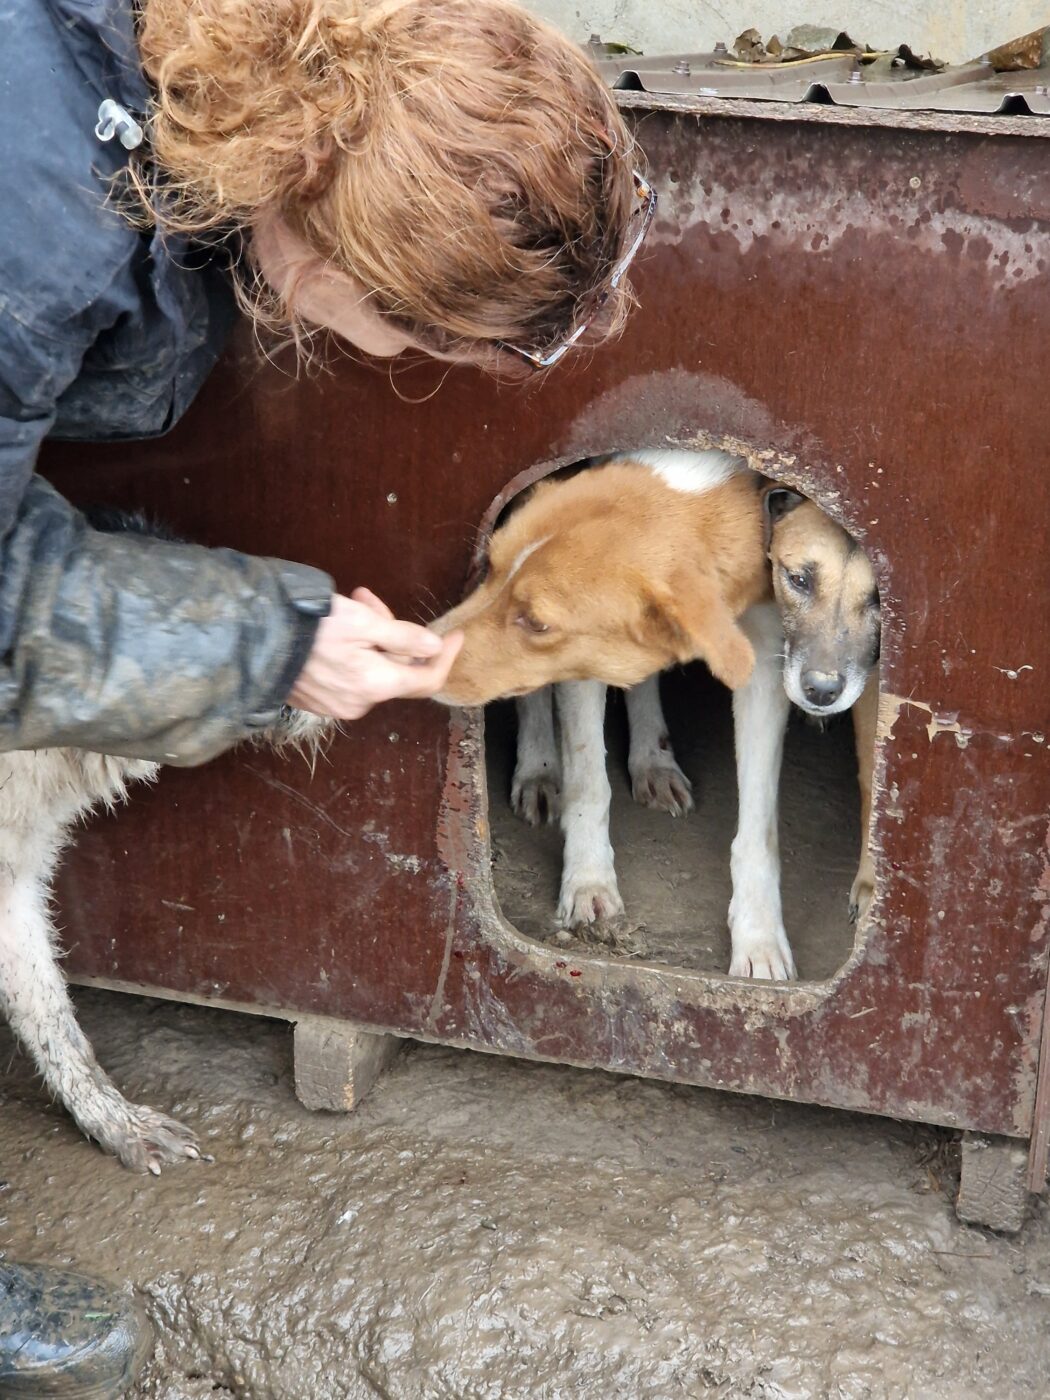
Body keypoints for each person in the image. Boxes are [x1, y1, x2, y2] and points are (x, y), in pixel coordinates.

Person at [0, 0, 654, 1394]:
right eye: (417, 342)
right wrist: (269, 643)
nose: (402, 368)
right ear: (330, 251)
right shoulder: (36, 219)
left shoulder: (260, 82)